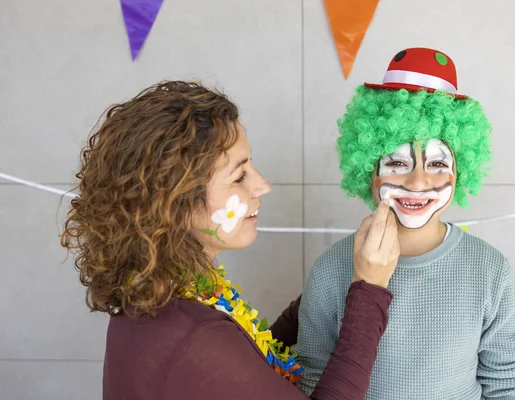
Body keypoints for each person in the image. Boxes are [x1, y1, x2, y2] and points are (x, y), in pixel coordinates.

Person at [60, 80, 401, 400]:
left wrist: (328, 288)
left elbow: (248, 363)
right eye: (239, 176)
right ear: (174, 205)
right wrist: (369, 290)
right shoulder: (193, 336)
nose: (262, 186)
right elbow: (222, 356)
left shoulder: (167, 292)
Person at [296, 48, 515, 399]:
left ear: (461, 170)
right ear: (369, 171)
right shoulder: (330, 270)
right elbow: (313, 379)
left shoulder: (490, 270)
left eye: (437, 164)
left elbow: (508, 384)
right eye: (396, 162)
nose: (418, 182)